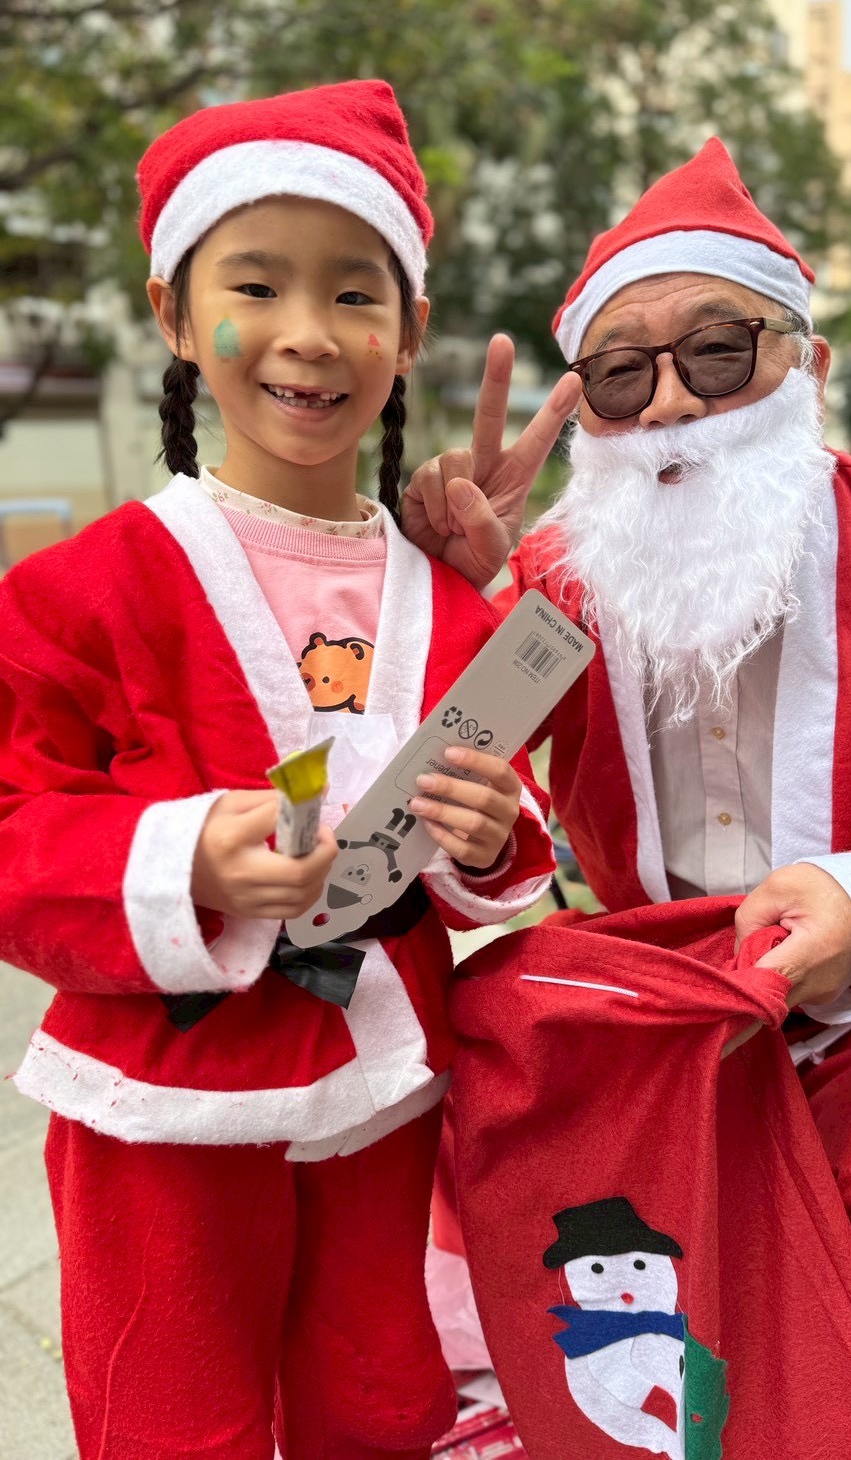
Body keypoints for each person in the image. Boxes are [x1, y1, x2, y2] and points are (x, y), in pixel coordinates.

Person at [403, 139, 851, 1458]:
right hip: (668, 986)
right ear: (592, 415)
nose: (672, 404)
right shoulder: (556, 582)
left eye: (718, 351)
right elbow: (427, 795)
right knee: (487, 1115)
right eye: (624, 374)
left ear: (808, 365)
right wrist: (446, 597)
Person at [0, 80, 555, 1460]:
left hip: (386, 1082)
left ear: (408, 334)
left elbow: (499, 810)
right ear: (176, 316)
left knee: (378, 1396)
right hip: (168, 1096)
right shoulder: (82, 591)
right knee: (170, 1411)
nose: (308, 332)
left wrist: (491, 838)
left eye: (356, 294)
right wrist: (178, 859)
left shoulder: (447, 599)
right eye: (256, 284)